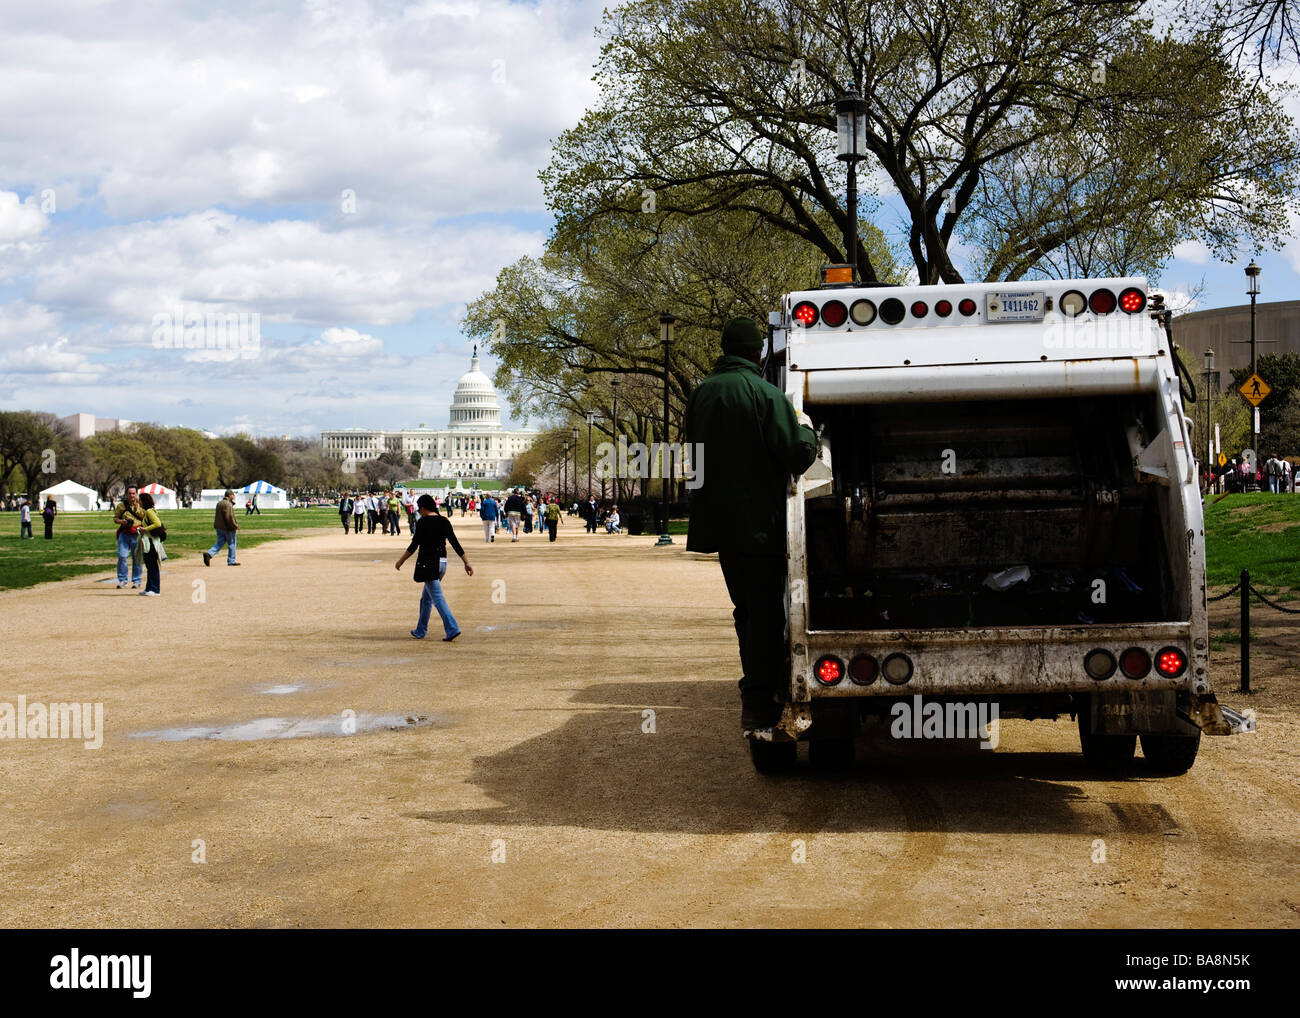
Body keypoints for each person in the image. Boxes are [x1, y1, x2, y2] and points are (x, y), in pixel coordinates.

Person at [684, 316, 818, 730]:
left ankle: (758, 692)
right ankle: (761, 698)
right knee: (765, 614)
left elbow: (696, 465)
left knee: (747, 611)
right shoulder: (767, 394)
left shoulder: (701, 396)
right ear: (757, 352)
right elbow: (796, 453)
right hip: (762, 524)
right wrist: (808, 432)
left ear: (724, 348)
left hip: (723, 527)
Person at [396, 494, 473, 641]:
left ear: (424, 508)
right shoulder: (444, 521)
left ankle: (452, 628)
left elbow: (414, 546)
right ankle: (420, 630)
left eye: (419, 508)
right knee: (426, 599)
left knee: (437, 598)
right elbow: (455, 543)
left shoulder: (422, 522)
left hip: (428, 564)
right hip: (442, 563)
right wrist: (466, 562)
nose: (418, 511)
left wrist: (401, 561)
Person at [113, 486, 145, 588]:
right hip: (125, 533)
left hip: (137, 533)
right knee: (122, 556)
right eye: (129, 493)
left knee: (137, 558)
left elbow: (146, 517)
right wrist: (121, 521)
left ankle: (137, 580)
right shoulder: (121, 506)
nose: (131, 495)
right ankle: (123, 580)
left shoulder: (141, 505)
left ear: (136, 494)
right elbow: (115, 518)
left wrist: (137, 510)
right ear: (126, 494)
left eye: (133, 493)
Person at [137, 492, 165, 596]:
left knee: (152, 565)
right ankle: (149, 588)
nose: (138, 502)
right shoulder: (147, 512)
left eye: (140, 500)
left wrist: (145, 529)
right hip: (148, 541)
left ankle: (155, 589)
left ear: (143, 501)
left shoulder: (149, 512)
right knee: (149, 565)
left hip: (151, 542)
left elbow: (157, 523)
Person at [203, 489, 240, 566]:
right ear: (230, 495)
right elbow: (229, 517)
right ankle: (231, 561)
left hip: (219, 527)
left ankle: (209, 554)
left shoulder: (219, 503)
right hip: (227, 528)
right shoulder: (228, 504)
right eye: (233, 495)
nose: (233, 496)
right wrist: (234, 526)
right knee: (232, 544)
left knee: (220, 543)